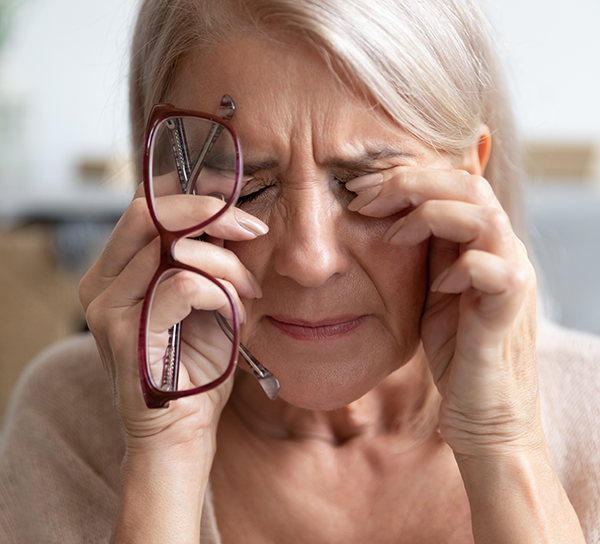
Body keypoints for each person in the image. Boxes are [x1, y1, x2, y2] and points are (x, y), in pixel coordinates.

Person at [1, 0, 599, 542]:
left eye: (368, 185)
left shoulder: (590, 410)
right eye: (250, 187)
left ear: (472, 177)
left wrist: (503, 438)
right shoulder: (69, 418)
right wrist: (163, 457)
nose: (310, 261)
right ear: (164, 185)